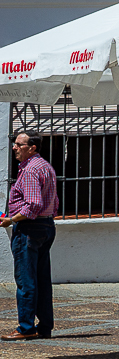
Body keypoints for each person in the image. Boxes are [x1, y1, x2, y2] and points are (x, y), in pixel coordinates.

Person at [3, 130, 59, 340]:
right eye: (15, 143)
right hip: (46, 226)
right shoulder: (46, 167)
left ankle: (25, 328)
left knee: (26, 279)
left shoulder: (29, 170)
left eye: (19, 144)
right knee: (42, 279)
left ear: (32, 147)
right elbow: (54, 201)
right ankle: (45, 327)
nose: (14, 147)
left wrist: (12, 220)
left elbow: (33, 203)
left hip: (29, 228)